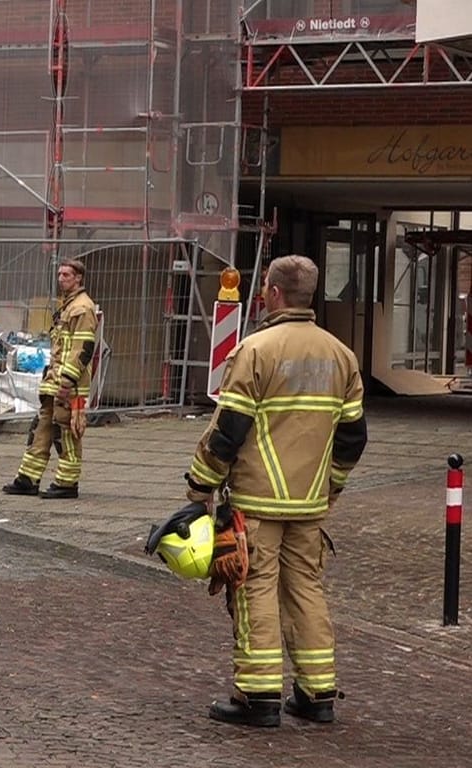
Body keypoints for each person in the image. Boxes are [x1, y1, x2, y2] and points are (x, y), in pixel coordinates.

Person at [184, 254, 367, 727]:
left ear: (272, 292)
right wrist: (332, 488)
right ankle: (317, 693)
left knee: (254, 588)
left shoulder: (256, 350)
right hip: (310, 502)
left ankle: (258, 696)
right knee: (306, 587)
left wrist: (200, 483)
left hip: (257, 500)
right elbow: (352, 437)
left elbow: (229, 429)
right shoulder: (341, 356)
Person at [3, 258, 98, 499]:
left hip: (69, 384)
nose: (61, 279)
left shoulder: (82, 308)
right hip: (53, 380)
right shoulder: (68, 306)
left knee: (65, 431)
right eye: (59, 275)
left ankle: (67, 483)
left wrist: (67, 380)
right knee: (42, 428)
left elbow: (82, 348)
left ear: (78, 278)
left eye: (66, 275)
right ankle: (27, 479)